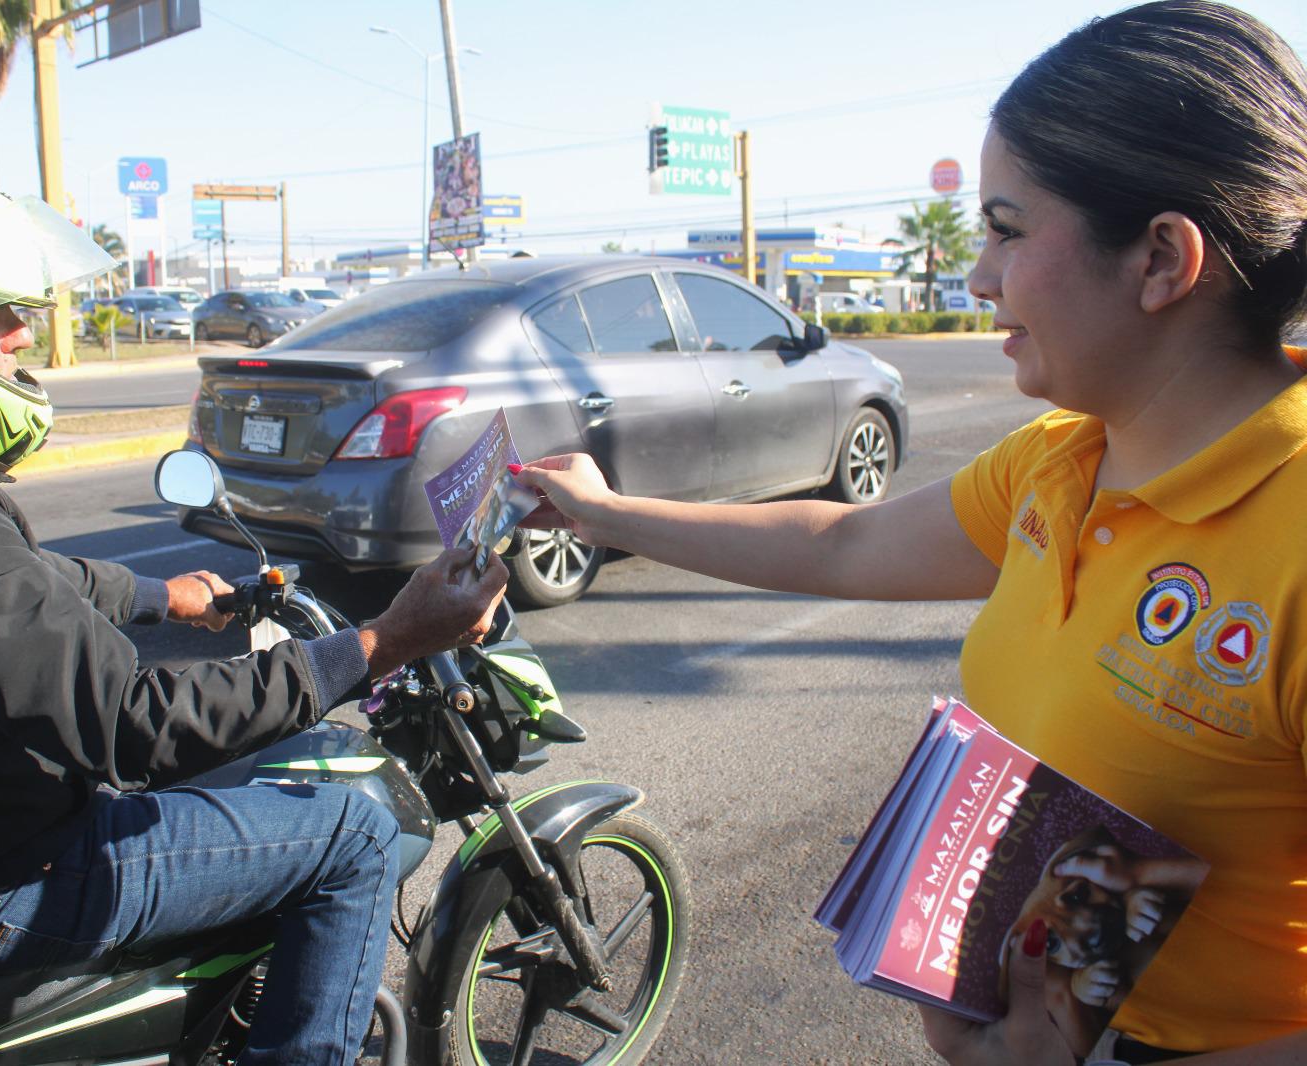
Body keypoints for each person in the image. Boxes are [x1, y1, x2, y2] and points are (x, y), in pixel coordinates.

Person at [512, 3, 1307, 1062]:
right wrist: (604, 511)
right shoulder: (1059, 458)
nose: (977, 274)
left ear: (1161, 257)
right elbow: (839, 544)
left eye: (1008, 229)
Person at [0, 164, 507, 1066]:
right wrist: (381, 641)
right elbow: (133, 728)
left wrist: (152, 593)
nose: (25, 334)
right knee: (352, 833)